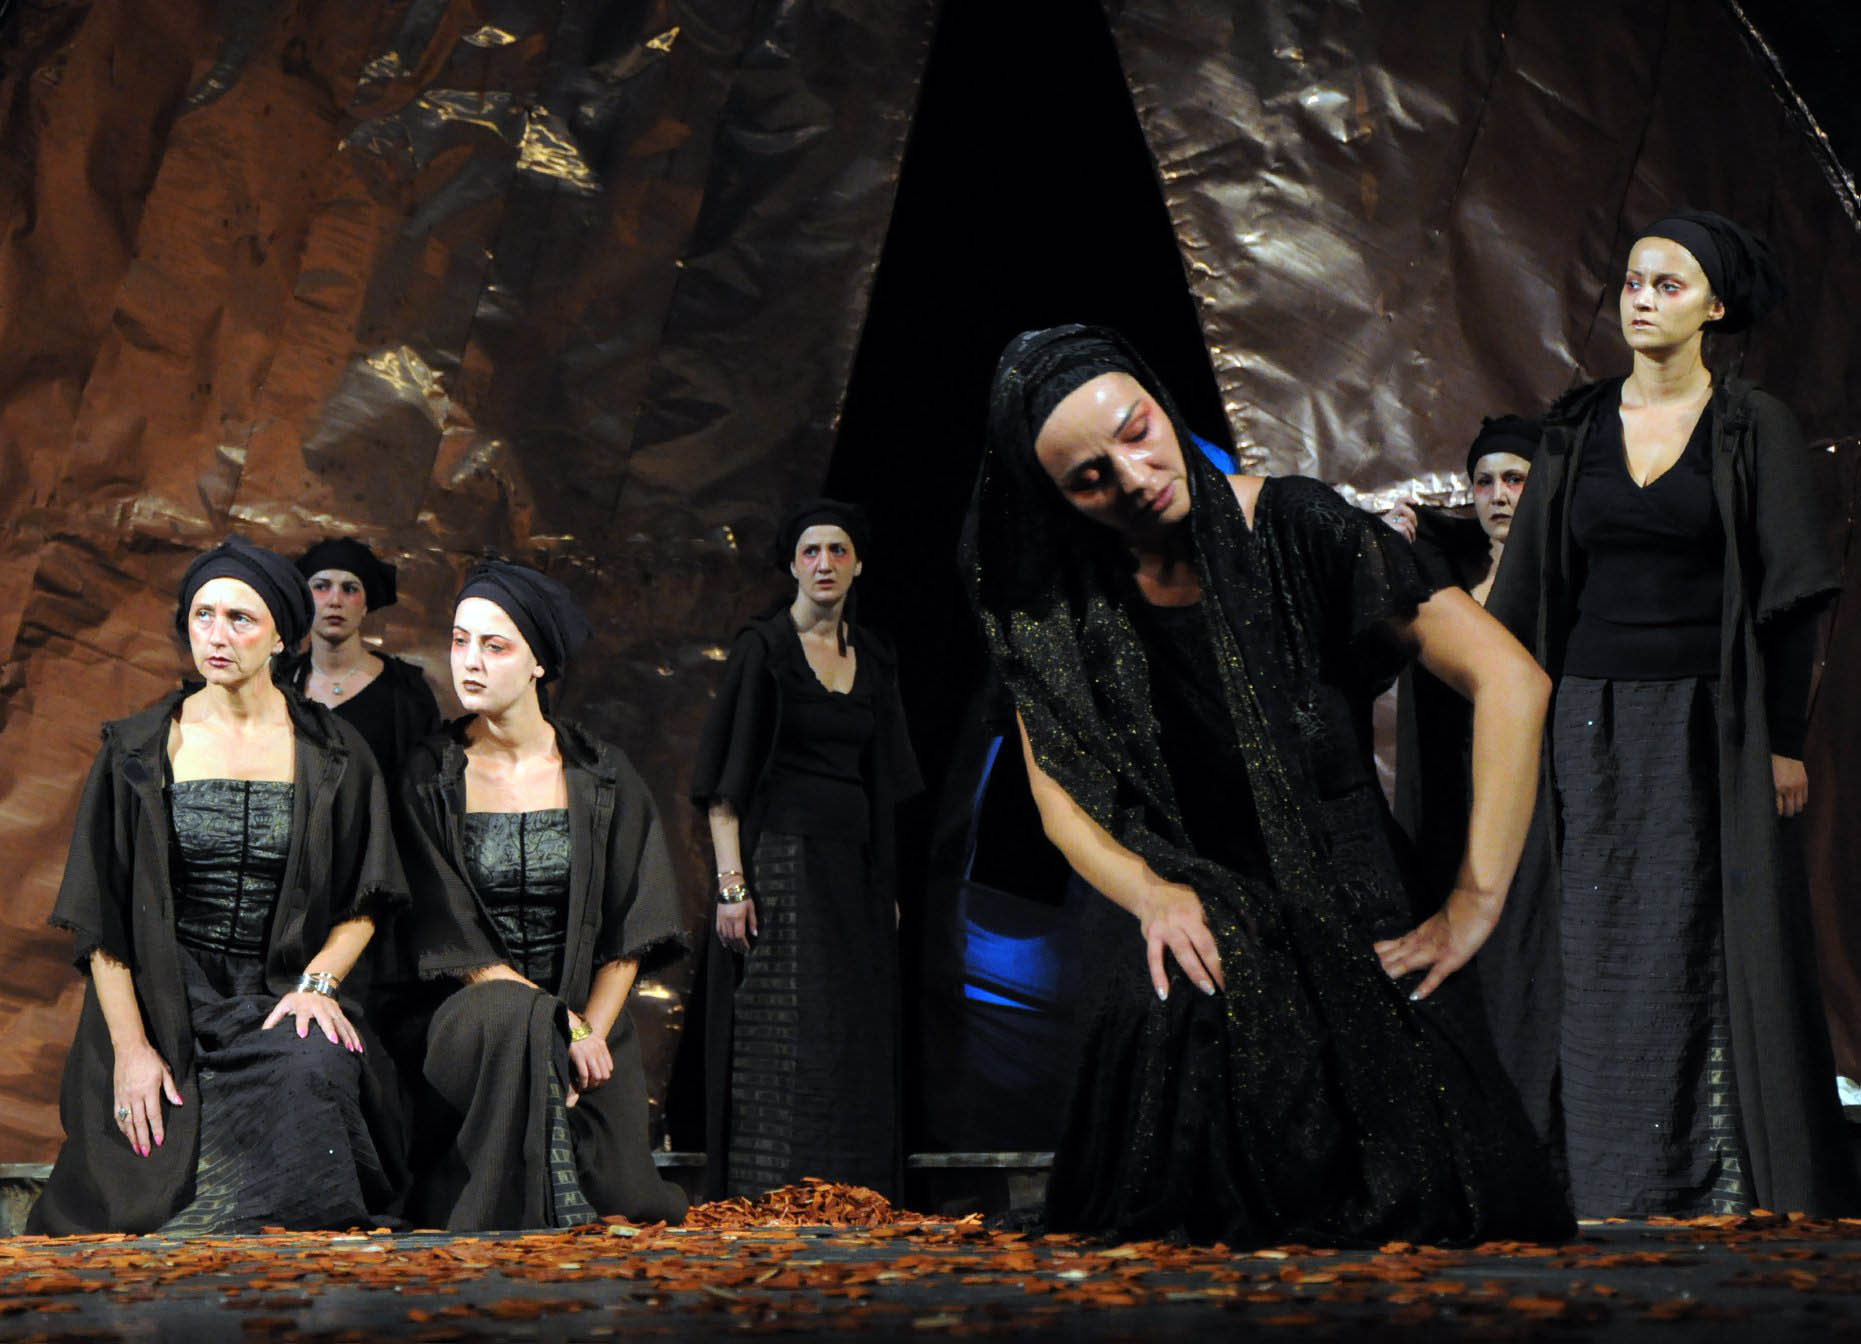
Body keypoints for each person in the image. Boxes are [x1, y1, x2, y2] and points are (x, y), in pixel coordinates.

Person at [963, 325, 1572, 1245]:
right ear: (1056, 498)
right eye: (1090, 478)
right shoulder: (1058, 603)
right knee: (1187, 1195)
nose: (1133, 475)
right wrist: (1153, 895)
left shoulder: (1295, 526)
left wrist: (1473, 901)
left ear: (1160, 403)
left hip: (1352, 902)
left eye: (1136, 431)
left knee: (1416, 1202)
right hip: (1191, 900)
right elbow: (1058, 797)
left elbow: (1511, 681)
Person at [1487, 209, 1854, 1217]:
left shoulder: (1748, 424)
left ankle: (1714, 1174)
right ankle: (1596, 1174)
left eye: (1668, 285)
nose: (1642, 301)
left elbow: (1791, 596)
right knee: (1595, 938)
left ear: (1714, 308)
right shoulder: (1574, 428)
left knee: (1698, 931)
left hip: (1708, 723)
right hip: (1587, 719)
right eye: (1633, 283)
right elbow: (1525, 593)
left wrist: (1782, 742)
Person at [29, 537, 408, 1235]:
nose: (217, 635)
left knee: (311, 1066)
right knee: (151, 1155)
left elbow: (368, 896)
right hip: (163, 997)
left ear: (281, 637)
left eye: (240, 619)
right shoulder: (138, 749)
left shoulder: (332, 752)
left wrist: (318, 985)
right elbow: (101, 922)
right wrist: (131, 1049)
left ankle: (283, 1254)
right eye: (203, 615)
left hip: (279, 987)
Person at [397, 560, 688, 1230]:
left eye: (494, 646)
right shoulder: (429, 777)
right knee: (506, 1020)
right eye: (460, 640)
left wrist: (589, 1030)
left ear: (538, 665)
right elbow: (449, 933)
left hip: (587, 1020)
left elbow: (632, 928)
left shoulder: (600, 775)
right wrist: (556, 1025)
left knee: (625, 1198)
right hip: (473, 1023)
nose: (469, 662)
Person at [691, 500, 922, 1200]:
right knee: (783, 1028)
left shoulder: (874, 657)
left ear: (858, 564)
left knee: (850, 1031)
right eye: (811, 551)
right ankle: (772, 1192)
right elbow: (723, 788)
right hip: (781, 864)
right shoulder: (763, 651)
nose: (825, 564)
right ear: (792, 565)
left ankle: (850, 1193)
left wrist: (885, 886)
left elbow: (884, 782)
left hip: (854, 867)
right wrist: (733, 886)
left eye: (838, 551)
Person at [284, 537, 442, 784]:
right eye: (322, 586)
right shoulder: (282, 685)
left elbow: (425, 787)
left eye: (349, 589)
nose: (335, 601)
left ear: (365, 605)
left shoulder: (405, 694)